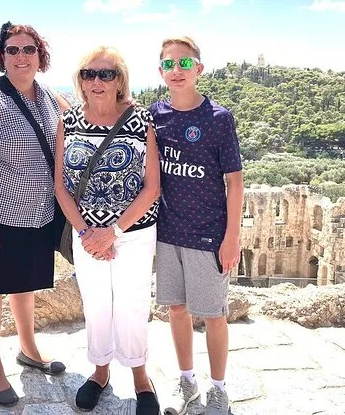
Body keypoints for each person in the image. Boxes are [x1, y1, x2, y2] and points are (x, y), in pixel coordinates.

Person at [0, 22, 69, 406]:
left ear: (40, 56)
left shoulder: (50, 98)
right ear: (1, 56)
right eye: (13, 50)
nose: (21, 56)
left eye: (29, 49)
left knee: (25, 286)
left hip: (38, 214)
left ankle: (28, 348)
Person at [54, 46, 161, 415]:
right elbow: (60, 187)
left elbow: (152, 187)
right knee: (96, 303)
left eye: (106, 74)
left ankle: (141, 377)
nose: (96, 81)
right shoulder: (68, 122)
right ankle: (100, 372)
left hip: (133, 232)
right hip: (86, 235)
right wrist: (87, 233)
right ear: (80, 81)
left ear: (120, 80)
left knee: (132, 304)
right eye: (89, 74)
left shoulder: (140, 120)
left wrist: (112, 231)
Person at [149, 36, 243, 415]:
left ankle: (218, 389)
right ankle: (186, 381)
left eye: (185, 63)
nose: (177, 70)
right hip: (168, 231)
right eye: (169, 64)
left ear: (199, 69)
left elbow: (234, 181)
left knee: (214, 314)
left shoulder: (218, 118)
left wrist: (232, 237)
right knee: (176, 310)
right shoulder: (155, 115)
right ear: (160, 71)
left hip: (207, 234)